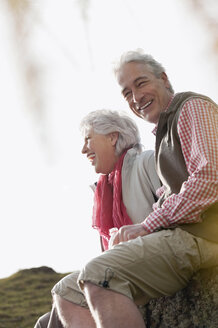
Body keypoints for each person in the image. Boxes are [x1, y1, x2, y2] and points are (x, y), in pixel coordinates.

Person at [49, 50, 217, 328]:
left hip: (202, 234)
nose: (136, 98)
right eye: (127, 93)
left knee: (97, 274)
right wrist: (132, 232)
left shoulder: (192, 107)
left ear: (163, 79)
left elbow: (211, 177)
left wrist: (146, 226)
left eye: (141, 84)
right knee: (65, 292)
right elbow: (167, 196)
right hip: (182, 236)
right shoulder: (164, 135)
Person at [34, 109, 161, 328]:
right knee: (45, 321)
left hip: (148, 262)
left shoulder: (147, 161)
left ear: (112, 137)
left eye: (88, 139)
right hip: (119, 271)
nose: (83, 149)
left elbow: (171, 212)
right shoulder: (105, 189)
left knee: (63, 294)